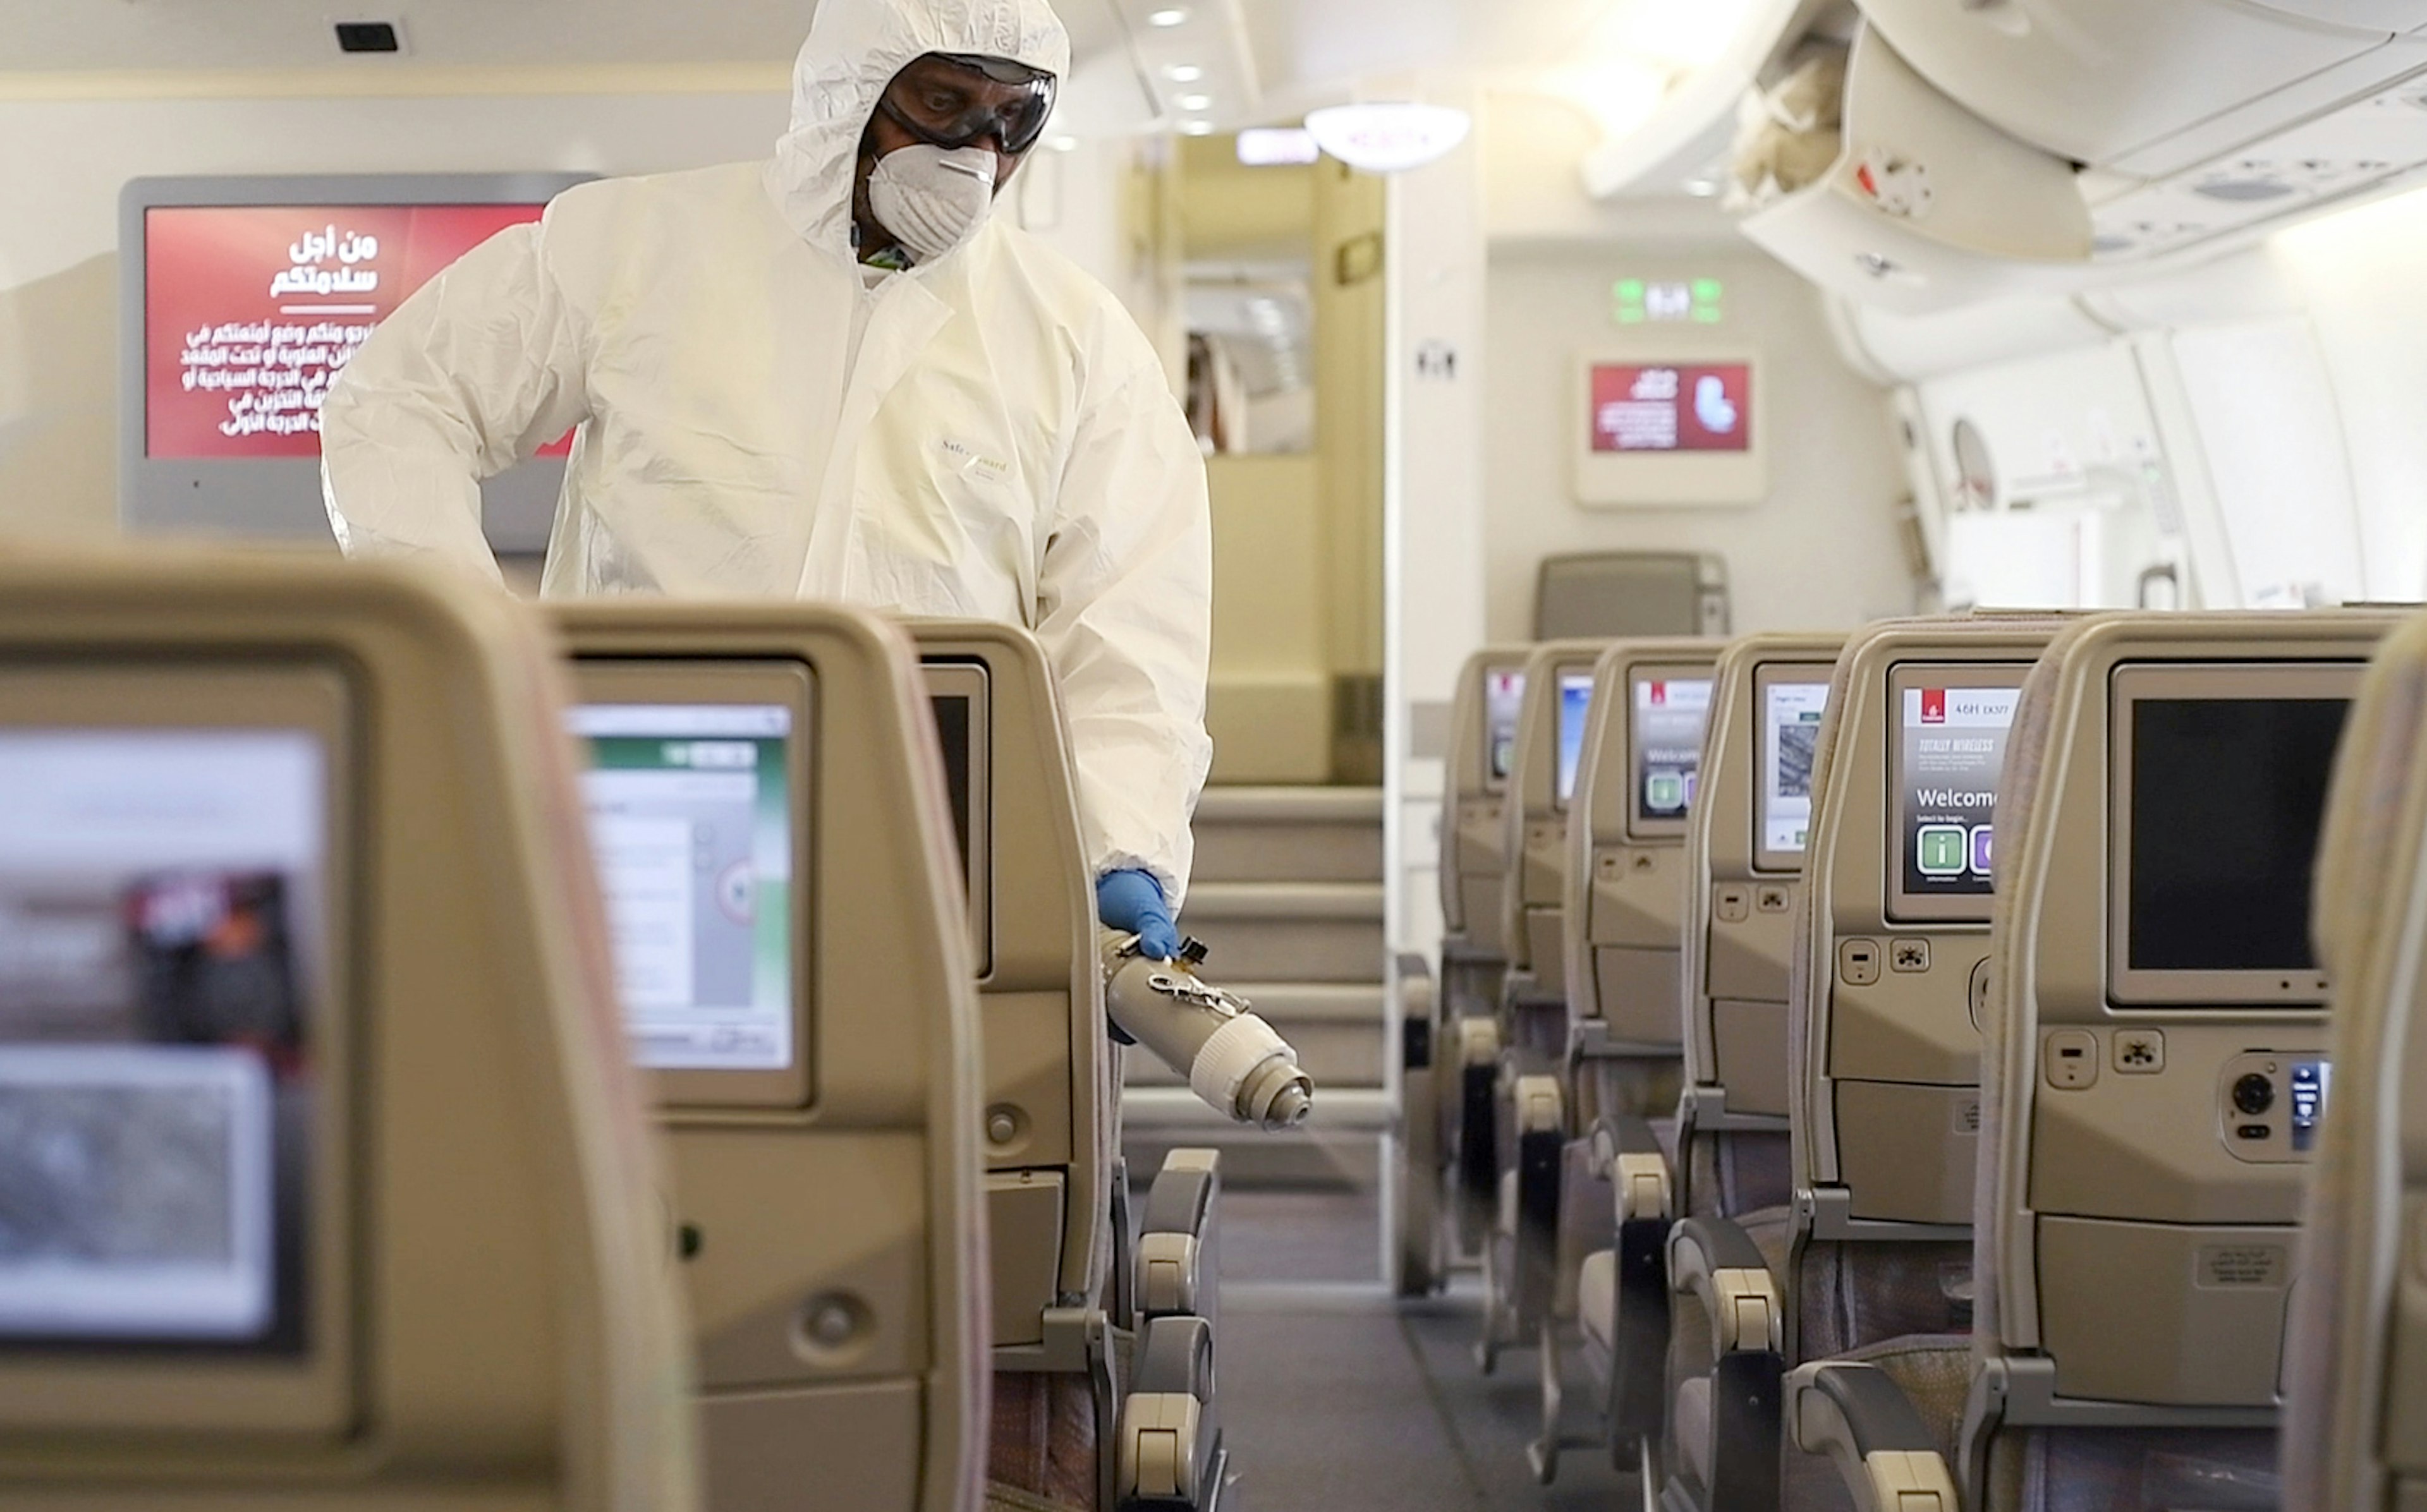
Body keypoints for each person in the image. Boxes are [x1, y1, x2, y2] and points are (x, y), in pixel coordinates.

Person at [320, 0, 1205, 958]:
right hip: (638, 820)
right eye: (943, 102)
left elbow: (1130, 614)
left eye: (1012, 120)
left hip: (928, 849)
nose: (974, 155)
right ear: (852, 91)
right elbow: (398, 400)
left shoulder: (1076, 341)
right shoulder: (634, 244)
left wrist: (1123, 844)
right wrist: (469, 662)